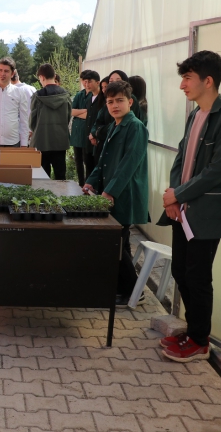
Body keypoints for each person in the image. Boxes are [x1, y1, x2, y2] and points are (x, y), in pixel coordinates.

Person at [157, 51, 221, 363]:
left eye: (187, 78)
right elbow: (181, 157)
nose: (182, 86)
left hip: (204, 213)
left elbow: (218, 170)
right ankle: (193, 331)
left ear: (208, 80)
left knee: (198, 276)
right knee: (180, 270)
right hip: (182, 210)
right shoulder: (195, 114)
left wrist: (179, 194)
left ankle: (200, 341)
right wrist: (174, 194)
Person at [83, 81, 149, 307]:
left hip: (124, 195)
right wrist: (91, 182)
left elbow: (129, 164)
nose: (114, 105)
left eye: (119, 100)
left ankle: (134, 291)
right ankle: (121, 287)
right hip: (110, 194)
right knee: (115, 243)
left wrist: (110, 191)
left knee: (117, 244)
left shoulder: (136, 127)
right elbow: (102, 162)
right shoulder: (113, 126)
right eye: (110, 101)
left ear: (130, 102)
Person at [29, 63, 72, 179]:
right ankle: (61, 196)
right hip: (60, 140)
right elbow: (68, 116)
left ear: (42, 77)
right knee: (60, 175)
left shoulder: (37, 96)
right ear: (54, 76)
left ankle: (44, 197)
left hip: (42, 140)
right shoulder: (66, 95)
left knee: (43, 175)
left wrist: (36, 130)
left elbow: (32, 120)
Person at [71, 70, 92, 186]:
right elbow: (72, 112)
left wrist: (82, 113)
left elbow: (91, 115)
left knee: (87, 160)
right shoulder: (79, 95)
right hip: (77, 132)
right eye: (84, 81)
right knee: (78, 160)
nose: (86, 83)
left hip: (86, 132)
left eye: (88, 81)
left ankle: (88, 184)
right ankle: (80, 183)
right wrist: (85, 111)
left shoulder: (94, 96)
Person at [83, 71, 103, 168]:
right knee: (88, 165)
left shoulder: (103, 99)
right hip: (88, 138)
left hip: (97, 138)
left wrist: (95, 134)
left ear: (98, 82)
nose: (87, 85)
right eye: (85, 82)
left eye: (90, 82)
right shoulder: (88, 97)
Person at [89, 76, 110, 164]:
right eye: (103, 87)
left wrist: (95, 133)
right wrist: (93, 133)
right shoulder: (101, 102)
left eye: (106, 87)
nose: (104, 89)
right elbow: (97, 121)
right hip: (99, 142)